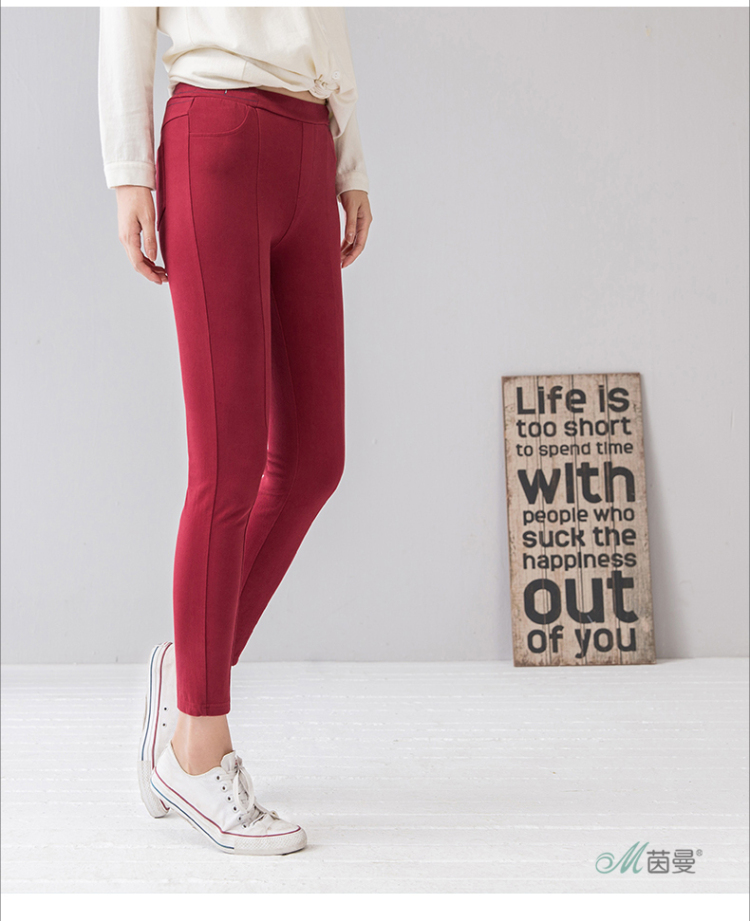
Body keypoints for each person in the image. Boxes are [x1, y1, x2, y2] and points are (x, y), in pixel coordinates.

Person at [98, 6, 372, 855]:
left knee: (315, 460)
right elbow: (124, 14)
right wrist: (129, 174)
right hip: (215, 131)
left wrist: (349, 159)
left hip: (308, 139)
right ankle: (197, 747)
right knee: (227, 464)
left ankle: (186, 671)